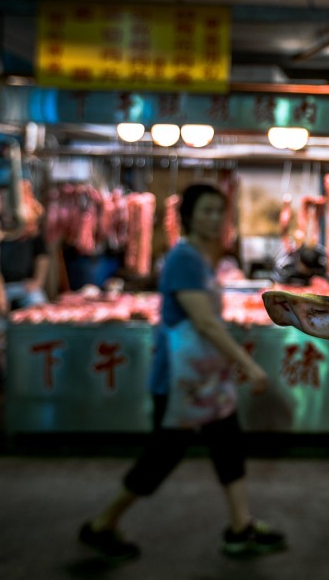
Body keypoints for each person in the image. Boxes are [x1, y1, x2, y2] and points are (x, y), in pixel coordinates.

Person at [79, 183, 286, 561]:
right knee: (162, 457)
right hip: (180, 382)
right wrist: (248, 365)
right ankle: (102, 525)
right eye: (205, 210)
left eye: (218, 211)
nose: (213, 218)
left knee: (228, 447)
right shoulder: (185, 259)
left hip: (204, 379)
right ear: (188, 216)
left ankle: (241, 528)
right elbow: (205, 324)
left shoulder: (199, 257)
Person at [0, 227, 49, 310]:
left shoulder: (30, 227)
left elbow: (42, 256)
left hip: (24, 285)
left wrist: (38, 281)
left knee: (39, 304)